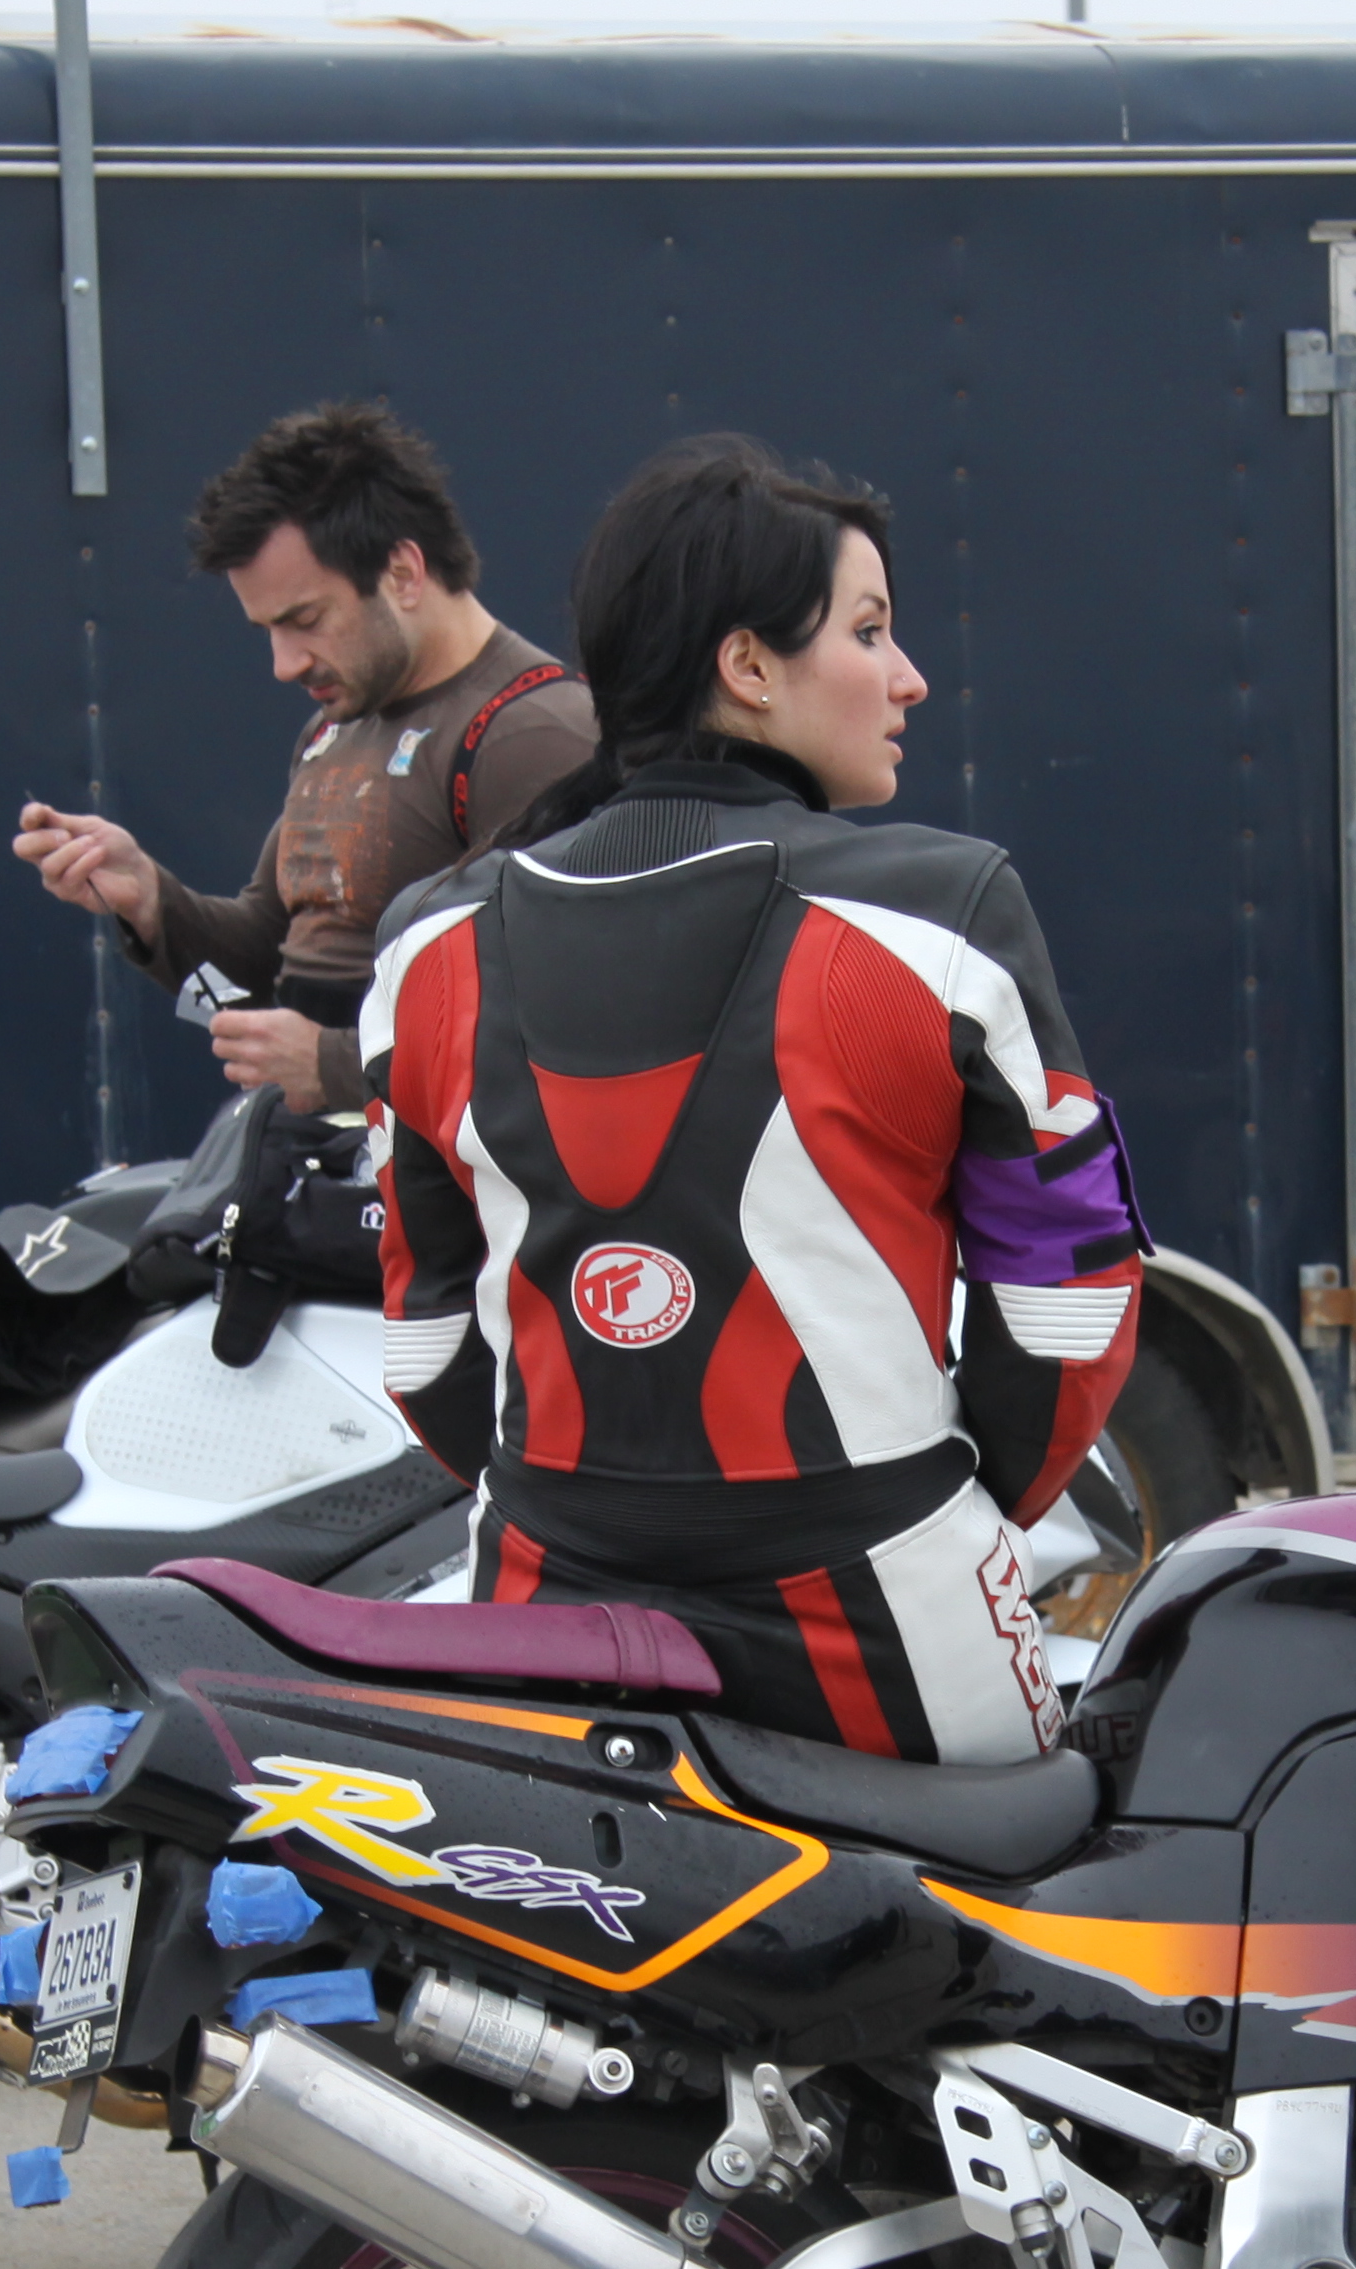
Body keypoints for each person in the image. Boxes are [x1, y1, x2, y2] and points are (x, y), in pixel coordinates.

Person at [369, 433, 1142, 1769]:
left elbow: (424, 1341)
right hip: (886, 1606)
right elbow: (1069, 1307)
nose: (908, 677)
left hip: (547, 1595)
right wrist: (949, 1510)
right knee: (1034, 1905)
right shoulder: (943, 914)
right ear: (747, 667)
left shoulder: (428, 947)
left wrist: (590, 1503)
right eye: (870, 630)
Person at [15, 404, 598, 1114]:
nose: (284, 665)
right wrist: (149, 902)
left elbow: (576, 1026)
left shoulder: (534, 737)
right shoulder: (334, 728)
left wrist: (335, 1067)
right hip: (320, 1165)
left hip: (430, 1179)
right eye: (267, 630)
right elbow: (264, 964)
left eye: (305, 620)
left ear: (403, 573)